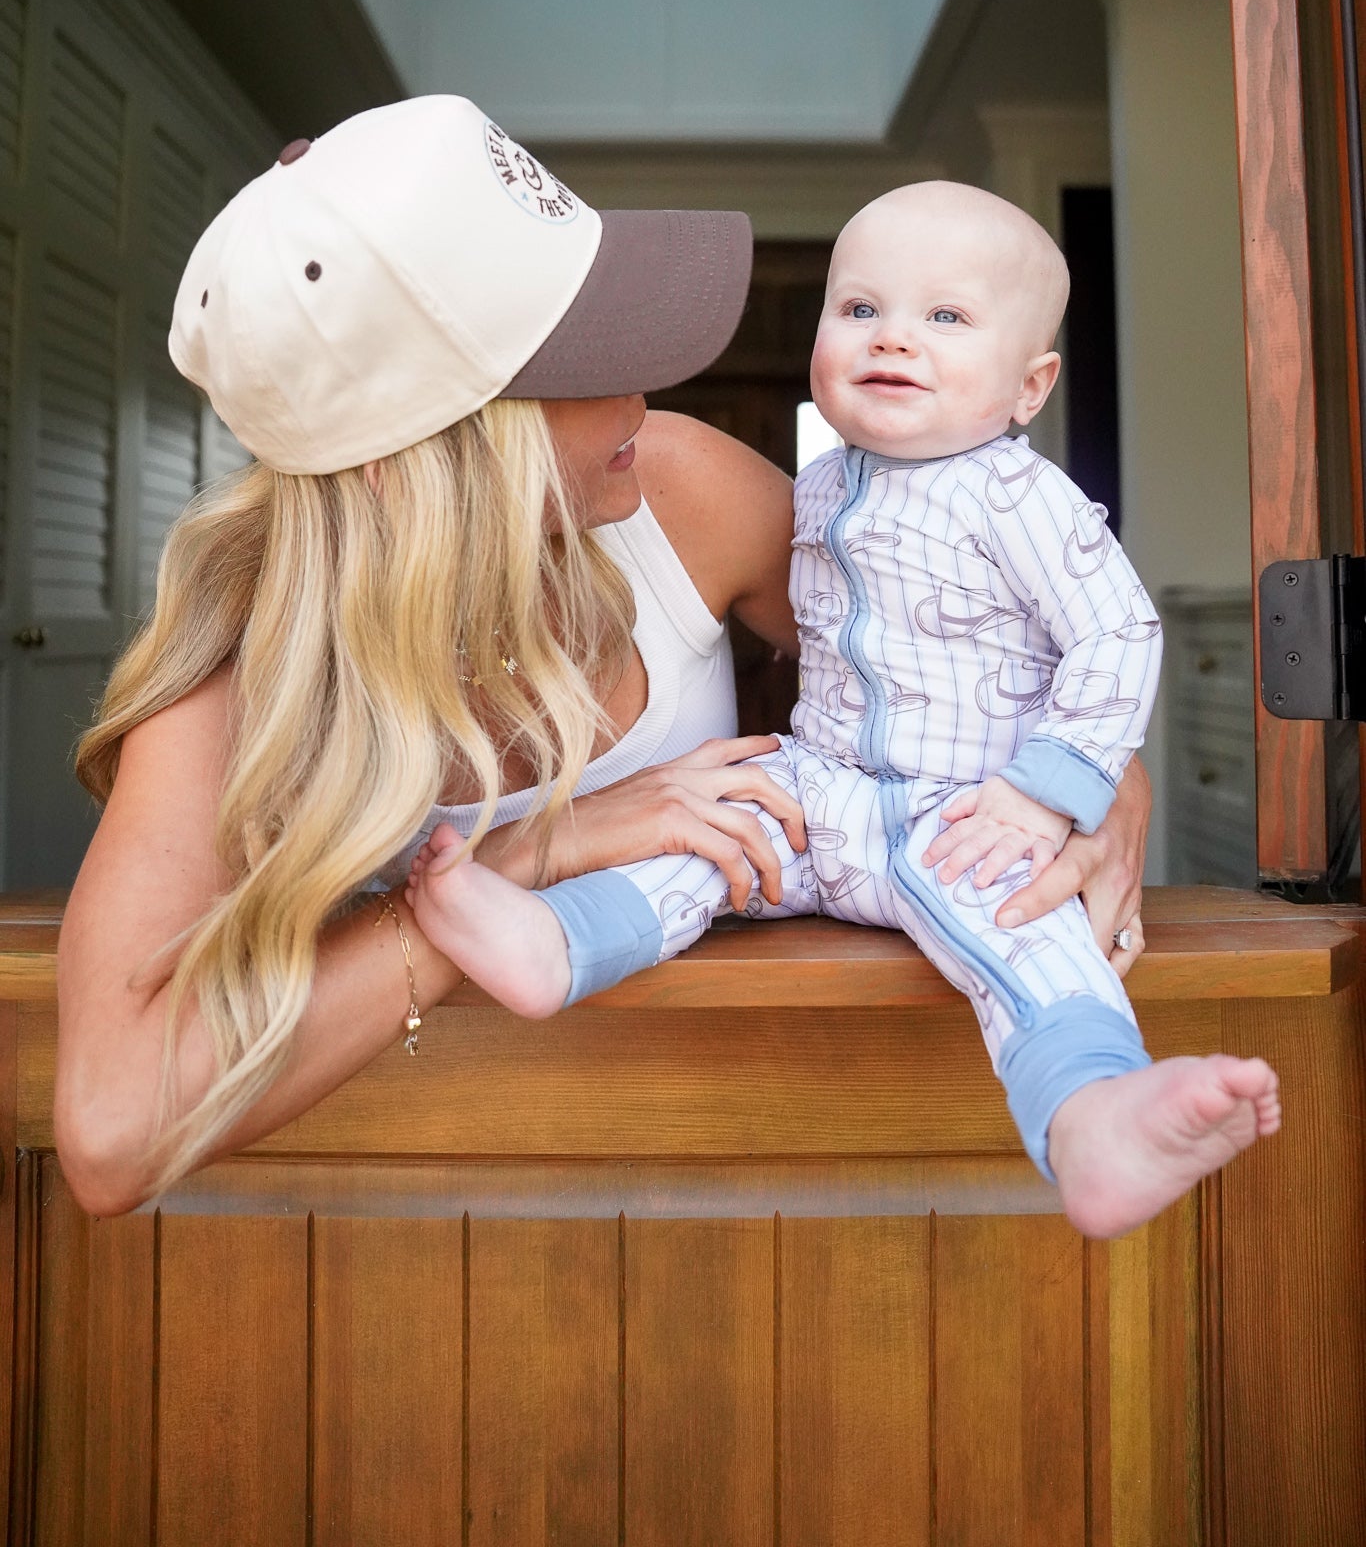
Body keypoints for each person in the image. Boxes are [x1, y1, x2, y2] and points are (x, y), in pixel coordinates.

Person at [54, 101, 1150, 1217]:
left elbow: (982, 640)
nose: (643, 388)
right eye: (584, 355)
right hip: (420, 1227)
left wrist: (1098, 785)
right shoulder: (231, 681)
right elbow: (110, 1129)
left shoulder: (676, 483)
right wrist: (539, 851)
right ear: (430, 452)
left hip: (746, 1166)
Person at [408, 181, 1279, 1239]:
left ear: (1029, 384)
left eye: (945, 318)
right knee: (709, 831)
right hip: (823, 790)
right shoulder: (818, 490)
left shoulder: (1022, 497)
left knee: (1031, 938)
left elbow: (1118, 638)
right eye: (860, 309)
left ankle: (1092, 1115)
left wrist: (1059, 786)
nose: (893, 339)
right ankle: (555, 941)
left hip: (973, 809)